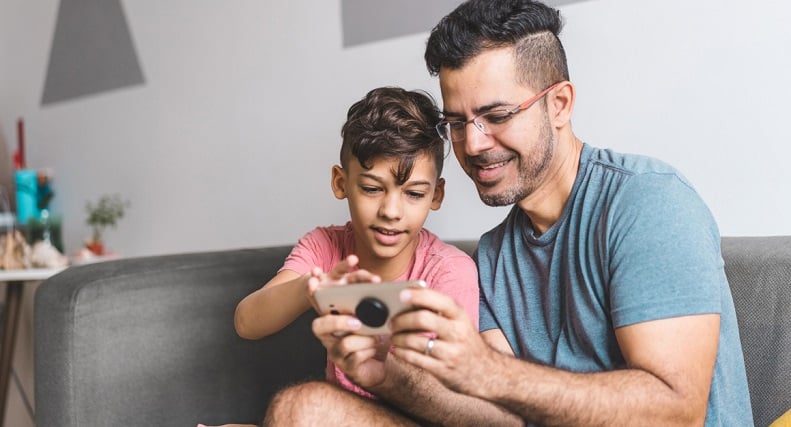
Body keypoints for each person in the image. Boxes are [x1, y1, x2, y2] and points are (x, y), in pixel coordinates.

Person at [263, 0, 753, 425]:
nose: (473, 144)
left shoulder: (646, 202)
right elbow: (500, 420)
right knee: (303, 410)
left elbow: (676, 411)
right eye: (457, 122)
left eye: (496, 116)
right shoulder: (494, 256)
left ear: (559, 104)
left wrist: (487, 371)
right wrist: (384, 374)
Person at [233, 86, 480, 399]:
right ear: (341, 183)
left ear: (436, 195)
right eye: (372, 189)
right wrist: (313, 287)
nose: (391, 212)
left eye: (414, 194)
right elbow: (246, 321)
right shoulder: (327, 246)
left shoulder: (450, 272)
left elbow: (458, 396)